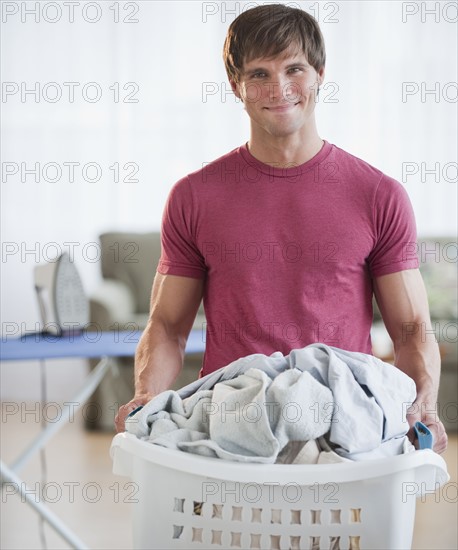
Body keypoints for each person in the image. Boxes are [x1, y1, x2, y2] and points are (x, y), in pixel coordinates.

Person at [115, 4, 447, 453]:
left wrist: (423, 403)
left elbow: (409, 329)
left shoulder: (378, 194)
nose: (280, 88)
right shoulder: (194, 196)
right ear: (236, 86)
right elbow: (169, 326)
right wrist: (146, 396)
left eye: (294, 69)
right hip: (231, 421)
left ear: (319, 75)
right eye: (259, 74)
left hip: (344, 422)